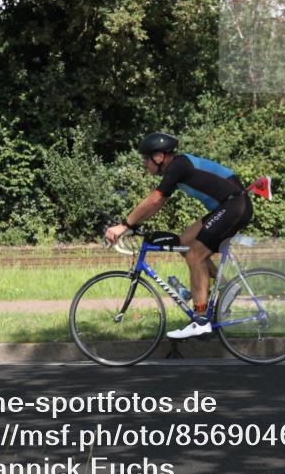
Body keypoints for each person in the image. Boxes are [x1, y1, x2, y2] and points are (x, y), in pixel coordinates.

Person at [104, 132, 253, 339]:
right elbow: (157, 204)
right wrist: (132, 224)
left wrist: (124, 225)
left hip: (234, 206)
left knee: (195, 256)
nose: (145, 164)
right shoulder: (176, 169)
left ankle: (200, 319)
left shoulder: (178, 166)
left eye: (146, 159)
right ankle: (228, 288)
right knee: (183, 244)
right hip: (228, 206)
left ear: (159, 157)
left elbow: (154, 200)